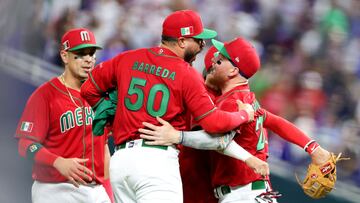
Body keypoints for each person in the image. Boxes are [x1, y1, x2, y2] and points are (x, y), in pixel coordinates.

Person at [80, 10, 255, 203]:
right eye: (198, 40)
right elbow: (213, 123)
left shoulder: (127, 58)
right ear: (181, 41)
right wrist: (243, 114)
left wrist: (113, 119)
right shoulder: (187, 74)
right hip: (157, 163)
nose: (202, 45)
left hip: (121, 163)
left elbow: (88, 89)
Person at [139, 37, 333, 203]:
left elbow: (217, 141)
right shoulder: (247, 99)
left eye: (220, 61)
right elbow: (275, 121)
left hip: (244, 193)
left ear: (233, 71)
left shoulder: (232, 102)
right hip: (252, 193)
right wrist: (313, 148)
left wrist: (177, 136)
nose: (213, 65)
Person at [15, 28, 113, 203]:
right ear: (64, 56)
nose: (88, 59)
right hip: (55, 189)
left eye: (91, 53)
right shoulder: (45, 95)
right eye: (81, 54)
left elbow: (104, 148)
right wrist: (57, 161)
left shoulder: (102, 97)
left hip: (95, 191)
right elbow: (25, 144)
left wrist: (108, 192)